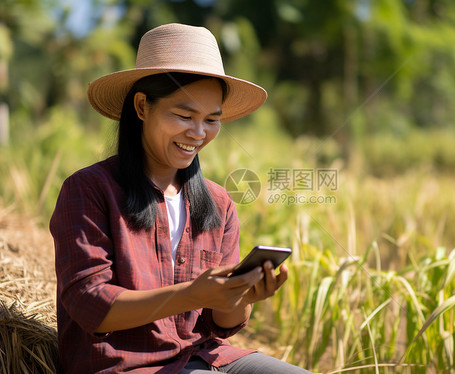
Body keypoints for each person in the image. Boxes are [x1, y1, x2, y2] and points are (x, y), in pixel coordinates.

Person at [50, 23, 311, 374]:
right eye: (184, 115)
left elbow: (223, 323)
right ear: (142, 107)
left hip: (206, 359)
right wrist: (194, 294)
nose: (198, 133)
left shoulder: (219, 204)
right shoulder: (89, 190)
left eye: (211, 120)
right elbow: (90, 305)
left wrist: (239, 297)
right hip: (128, 367)